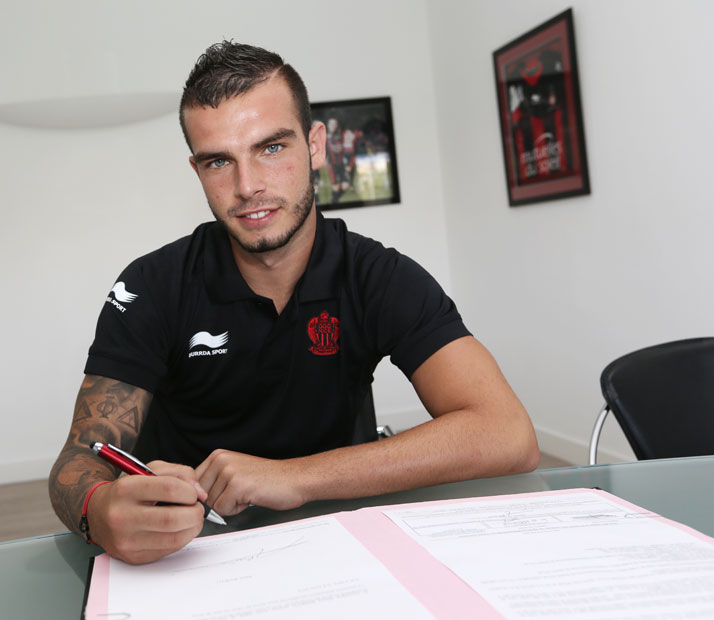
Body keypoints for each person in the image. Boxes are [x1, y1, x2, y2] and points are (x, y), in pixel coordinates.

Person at [49, 41, 539, 565]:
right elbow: (79, 459)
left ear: (315, 145)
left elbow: (508, 434)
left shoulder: (377, 276)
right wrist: (99, 509)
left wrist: (293, 477)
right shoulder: (153, 284)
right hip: (189, 553)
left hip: (338, 542)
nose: (247, 186)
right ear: (197, 171)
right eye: (220, 161)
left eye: (271, 148)